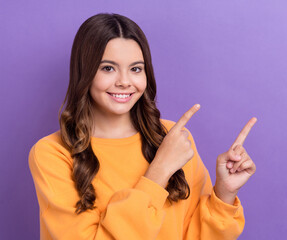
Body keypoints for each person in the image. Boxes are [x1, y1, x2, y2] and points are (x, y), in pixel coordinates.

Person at [28, 13, 257, 240]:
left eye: (136, 69)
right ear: (84, 72)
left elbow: (199, 235)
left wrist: (225, 193)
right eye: (108, 68)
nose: (125, 81)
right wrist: (159, 170)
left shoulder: (172, 137)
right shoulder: (53, 153)